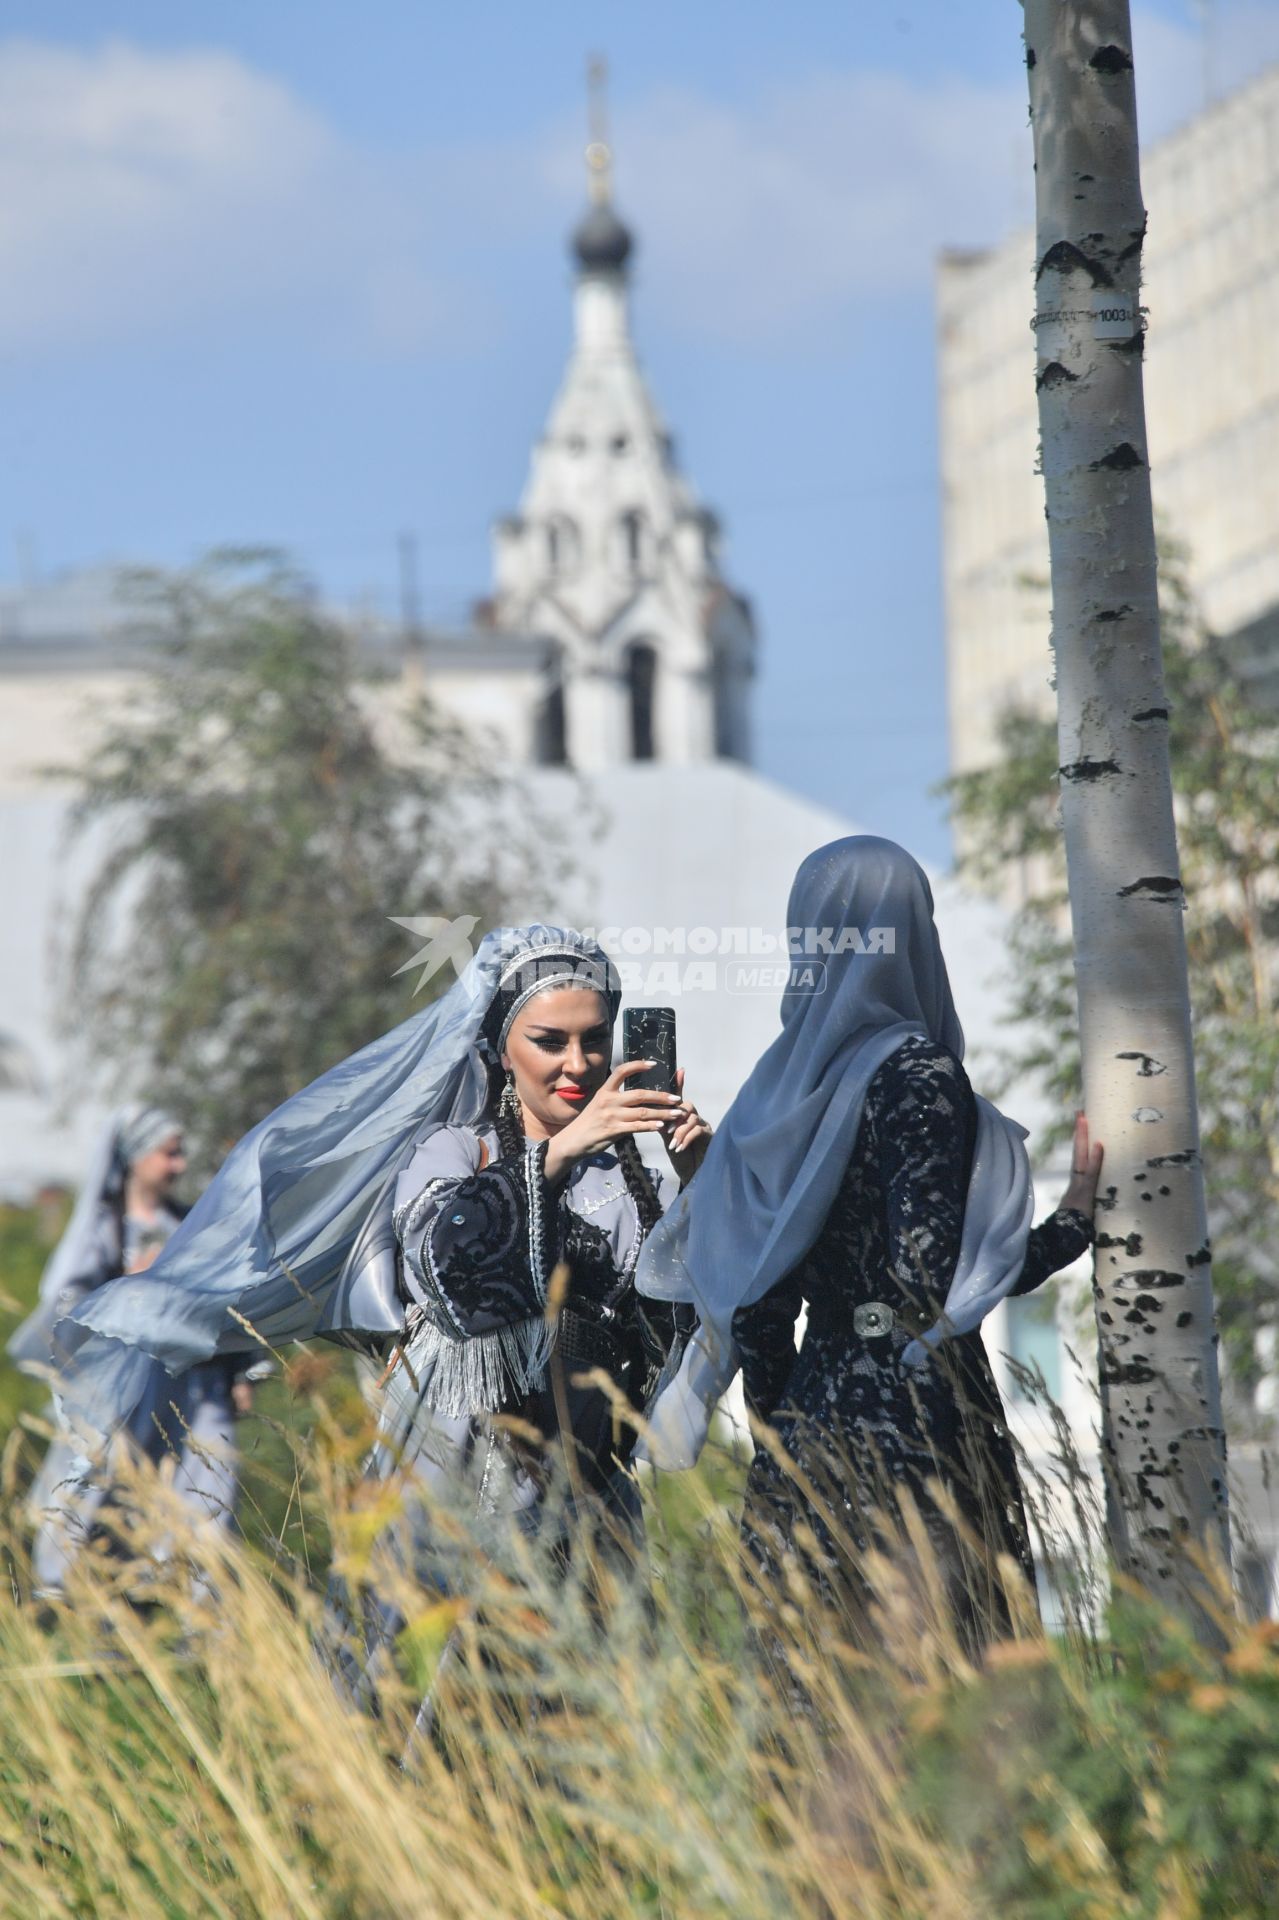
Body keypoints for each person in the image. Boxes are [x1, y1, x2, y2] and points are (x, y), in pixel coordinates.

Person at [57, 928, 708, 1634]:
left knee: (586, 1702)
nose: (577, 1064)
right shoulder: (457, 1147)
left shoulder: (634, 1179)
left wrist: (701, 1178)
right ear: (499, 1045)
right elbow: (450, 1272)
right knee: (437, 1685)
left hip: (588, 1486)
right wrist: (559, 1152)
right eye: (549, 1041)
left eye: (594, 1039)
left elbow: (682, 1318)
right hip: (466, 1471)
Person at [637, 836, 1102, 1650]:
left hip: (814, 1407)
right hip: (918, 1408)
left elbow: (756, 1294)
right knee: (941, 1678)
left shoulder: (779, 1088)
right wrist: (1072, 1225)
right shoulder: (918, 1075)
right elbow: (931, 1277)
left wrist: (782, 1426)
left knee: (818, 1685)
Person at [8, 1107, 254, 1600]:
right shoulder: (104, 1231)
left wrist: (242, 1371)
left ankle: (197, 1607)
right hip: (120, 1387)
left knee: (207, 1483)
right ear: (137, 1157)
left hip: (193, 1384)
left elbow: (226, 1298)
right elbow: (66, 1300)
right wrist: (130, 1281)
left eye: (180, 1152)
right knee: (106, 1485)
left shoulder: (188, 1223)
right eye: (169, 1153)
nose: (179, 1164)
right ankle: (73, 1591)